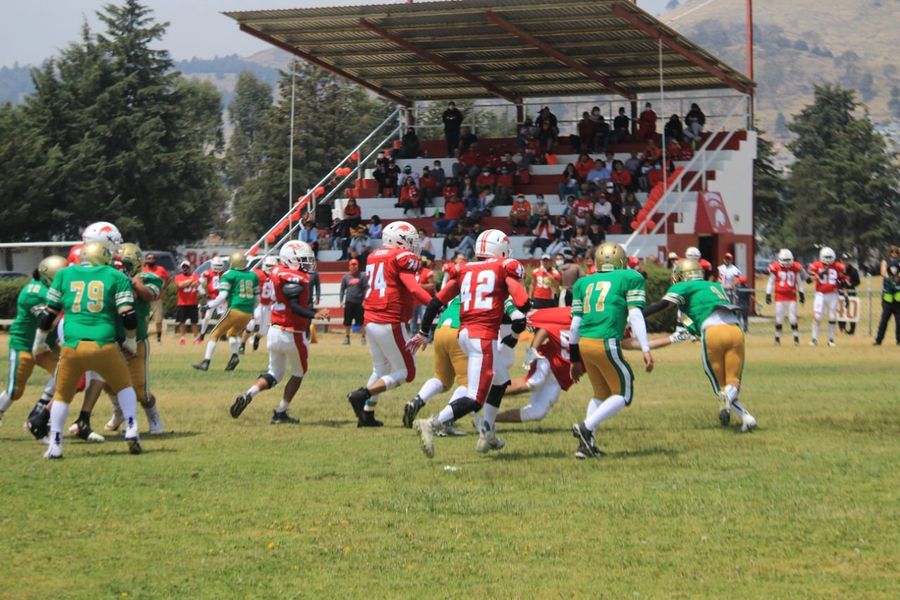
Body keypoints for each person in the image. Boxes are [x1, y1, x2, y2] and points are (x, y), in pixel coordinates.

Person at [410, 229, 530, 457]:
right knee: (475, 398)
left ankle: (488, 431)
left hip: (464, 333)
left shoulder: (465, 270)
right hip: (482, 336)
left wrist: (424, 331)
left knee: (501, 380)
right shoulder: (503, 267)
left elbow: (435, 303)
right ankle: (432, 423)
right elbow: (522, 302)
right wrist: (521, 308)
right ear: (500, 250)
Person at [32, 242, 143, 458]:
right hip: (103, 344)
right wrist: (131, 341)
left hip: (72, 345)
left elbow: (48, 314)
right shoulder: (115, 276)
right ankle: (131, 426)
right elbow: (128, 315)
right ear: (104, 257)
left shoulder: (64, 275)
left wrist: (39, 342)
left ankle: (55, 444)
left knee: (62, 395)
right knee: (124, 386)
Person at [644, 258, 757, 432]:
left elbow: (664, 305)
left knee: (721, 388)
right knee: (733, 382)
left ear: (683, 275)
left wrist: (637, 315)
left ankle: (727, 399)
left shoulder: (683, 286)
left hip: (712, 333)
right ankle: (747, 418)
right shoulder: (716, 286)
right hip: (735, 330)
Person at [564, 243, 652, 458]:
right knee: (624, 392)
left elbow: (574, 325)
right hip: (606, 341)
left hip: (585, 343)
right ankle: (586, 426)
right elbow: (636, 315)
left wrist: (574, 358)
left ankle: (586, 446)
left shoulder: (583, 283)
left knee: (600, 394)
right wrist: (646, 348)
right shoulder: (629, 278)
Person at [344, 221, 433, 427]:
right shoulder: (401, 257)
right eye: (410, 241)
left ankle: (367, 414)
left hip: (372, 319)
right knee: (407, 373)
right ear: (398, 241)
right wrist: (434, 303)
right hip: (389, 319)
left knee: (380, 368)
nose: (413, 245)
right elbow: (413, 288)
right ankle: (362, 394)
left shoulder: (376, 255)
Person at [229, 241, 329, 423]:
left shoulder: (276, 271)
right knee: (299, 372)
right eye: (304, 260)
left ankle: (249, 394)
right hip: (292, 332)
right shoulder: (294, 278)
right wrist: (315, 313)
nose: (308, 264)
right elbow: (295, 306)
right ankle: (281, 411)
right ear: (291, 259)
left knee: (274, 373)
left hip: (274, 331)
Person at [0, 256, 66, 429]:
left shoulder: (50, 288)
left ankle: (41, 415)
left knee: (66, 377)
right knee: (15, 391)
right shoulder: (34, 293)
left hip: (47, 346)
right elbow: (49, 322)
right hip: (25, 344)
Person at [110, 243, 166, 434]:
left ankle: (154, 417)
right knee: (104, 383)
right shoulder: (111, 277)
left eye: (124, 263)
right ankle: (118, 412)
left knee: (140, 390)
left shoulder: (149, 278)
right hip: (111, 339)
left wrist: (132, 281)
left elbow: (149, 295)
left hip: (137, 340)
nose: (120, 267)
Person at [192, 251, 259, 372]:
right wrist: (252, 312)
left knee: (214, 334)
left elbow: (222, 296)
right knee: (231, 334)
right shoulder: (253, 275)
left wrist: (208, 306)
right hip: (248, 313)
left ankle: (206, 362)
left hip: (235, 310)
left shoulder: (229, 274)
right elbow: (257, 299)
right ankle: (234, 356)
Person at [766, 248, 806, 345]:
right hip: (779, 296)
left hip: (791, 296)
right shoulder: (775, 268)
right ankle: (777, 338)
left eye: (789, 260)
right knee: (779, 318)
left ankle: (796, 338)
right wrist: (768, 294)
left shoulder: (795, 267)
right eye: (785, 260)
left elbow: (799, 282)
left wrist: (801, 294)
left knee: (793, 318)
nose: (787, 262)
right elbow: (770, 282)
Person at [807, 246, 846, 347]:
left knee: (832, 316)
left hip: (833, 294)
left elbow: (843, 280)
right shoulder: (816, 265)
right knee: (817, 316)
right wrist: (818, 276)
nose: (828, 260)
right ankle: (814, 338)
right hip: (820, 294)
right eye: (826, 257)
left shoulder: (838, 266)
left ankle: (831, 339)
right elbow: (808, 280)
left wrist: (844, 293)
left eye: (830, 257)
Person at [240, 255, 278, 353]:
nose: (271, 268)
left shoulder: (277, 276)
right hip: (258, 303)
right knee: (251, 323)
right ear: (264, 265)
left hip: (269, 305)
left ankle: (256, 338)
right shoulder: (257, 274)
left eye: (273, 266)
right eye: (269, 265)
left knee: (264, 331)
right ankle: (242, 344)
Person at [874, 245, 900, 346]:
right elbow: (883, 272)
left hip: (898, 297)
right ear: (889, 253)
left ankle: (899, 340)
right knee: (884, 320)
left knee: (899, 322)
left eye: (896, 252)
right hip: (887, 297)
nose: (894, 254)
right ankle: (878, 340)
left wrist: (897, 278)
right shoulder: (885, 262)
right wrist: (890, 278)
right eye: (892, 252)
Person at [143, 253, 169, 344]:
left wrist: (162, 288)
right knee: (144, 319)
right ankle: (143, 337)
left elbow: (167, 279)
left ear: (155, 260)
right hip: (145, 298)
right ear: (145, 260)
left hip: (157, 298)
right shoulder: (142, 270)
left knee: (158, 319)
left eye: (152, 258)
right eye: (148, 258)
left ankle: (158, 339)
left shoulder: (160, 270)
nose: (150, 260)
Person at [340, 259, 367, 345]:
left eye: (355, 265)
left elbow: (366, 288)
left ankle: (363, 338)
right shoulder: (345, 277)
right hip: (349, 301)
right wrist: (341, 300)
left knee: (361, 321)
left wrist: (365, 300)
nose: (354, 267)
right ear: (349, 266)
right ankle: (347, 338)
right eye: (352, 265)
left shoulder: (362, 275)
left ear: (358, 266)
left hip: (360, 302)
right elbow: (342, 289)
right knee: (347, 321)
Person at [174, 261, 201, 344]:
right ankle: (182, 338)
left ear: (189, 268)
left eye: (186, 267)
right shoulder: (178, 277)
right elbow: (180, 285)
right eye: (183, 267)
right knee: (182, 321)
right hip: (182, 303)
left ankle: (195, 338)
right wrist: (190, 281)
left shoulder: (195, 275)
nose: (185, 269)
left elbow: (196, 284)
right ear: (181, 268)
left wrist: (186, 283)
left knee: (194, 322)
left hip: (193, 302)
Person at [838, 253, 861, 335]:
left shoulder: (853, 270)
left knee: (851, 311)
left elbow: (858, 281)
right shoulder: (838, 270)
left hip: (851, 293)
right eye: (843, 260)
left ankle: (851, 330)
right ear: (841, 261)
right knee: (841, 311)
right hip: (840, 293)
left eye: (846, 260)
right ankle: (842, 328)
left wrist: (851, 285)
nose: (845, 262)